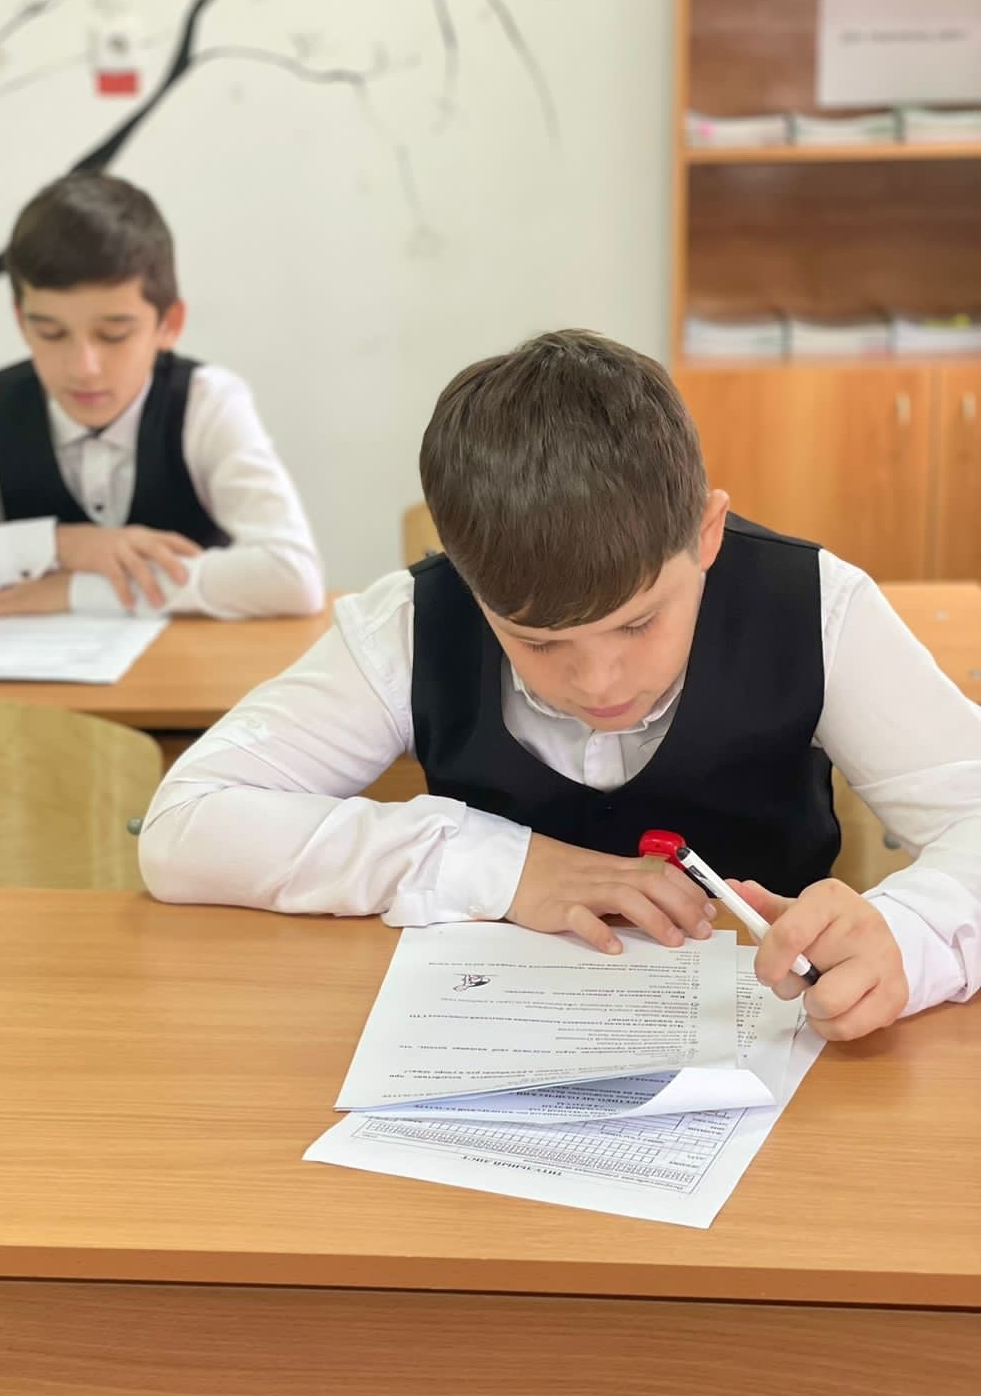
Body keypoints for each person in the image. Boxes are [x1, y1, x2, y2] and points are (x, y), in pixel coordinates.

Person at [137, 329, 981, 1041]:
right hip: (483, 1052)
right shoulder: (413, 620)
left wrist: (909, 934)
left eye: (639, 623)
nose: (599, 681)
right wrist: (497, 865)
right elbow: (186, 824)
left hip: (776, 1056)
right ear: (470, 581)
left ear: (707, 533)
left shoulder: (817, 606)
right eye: (538, 641)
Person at [0, 173, 324, 619]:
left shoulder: (206, 401)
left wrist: (76, 591)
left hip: (190, 680)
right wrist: (59, 545)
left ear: (168, 324)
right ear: (21, 321)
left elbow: (293, 577)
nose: (83, 367)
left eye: (113, 335)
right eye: (50, 333)